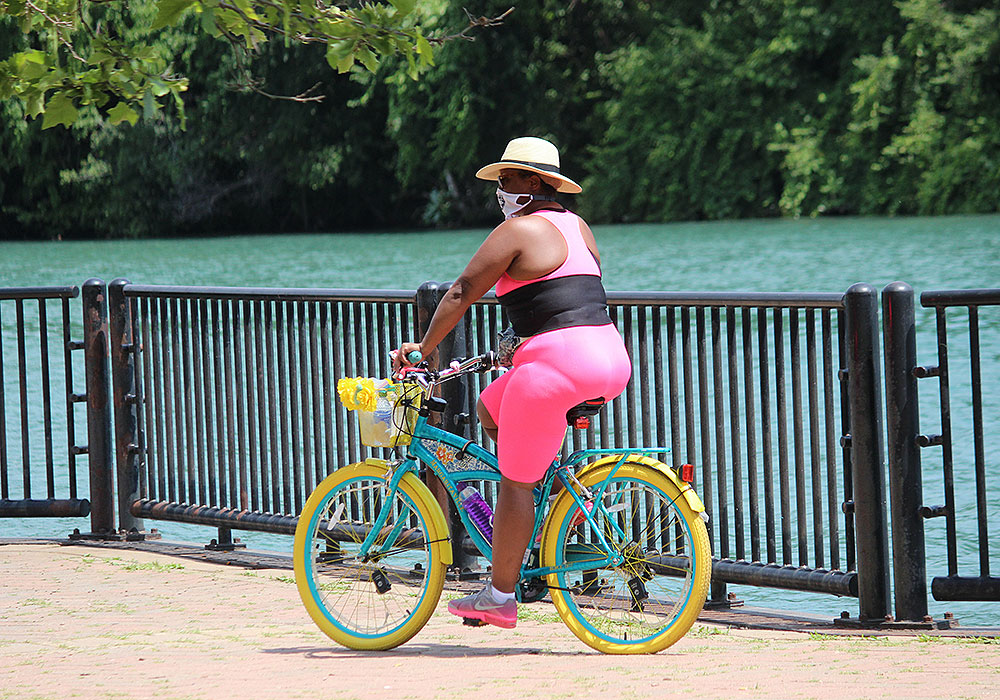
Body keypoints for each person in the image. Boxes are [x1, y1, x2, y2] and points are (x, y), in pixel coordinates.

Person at [392, 136, 632, 629]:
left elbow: (460, 292)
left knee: (514, 480)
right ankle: (541, 507)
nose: (499, 189)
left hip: (555, 371)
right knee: (488, 406)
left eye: (507, 179)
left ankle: (500, 595)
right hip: (609, 358)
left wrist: (422, 349)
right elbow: (564, 296)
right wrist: (514, 341)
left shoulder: (517, 230)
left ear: (534, 182)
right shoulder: (579, 227)